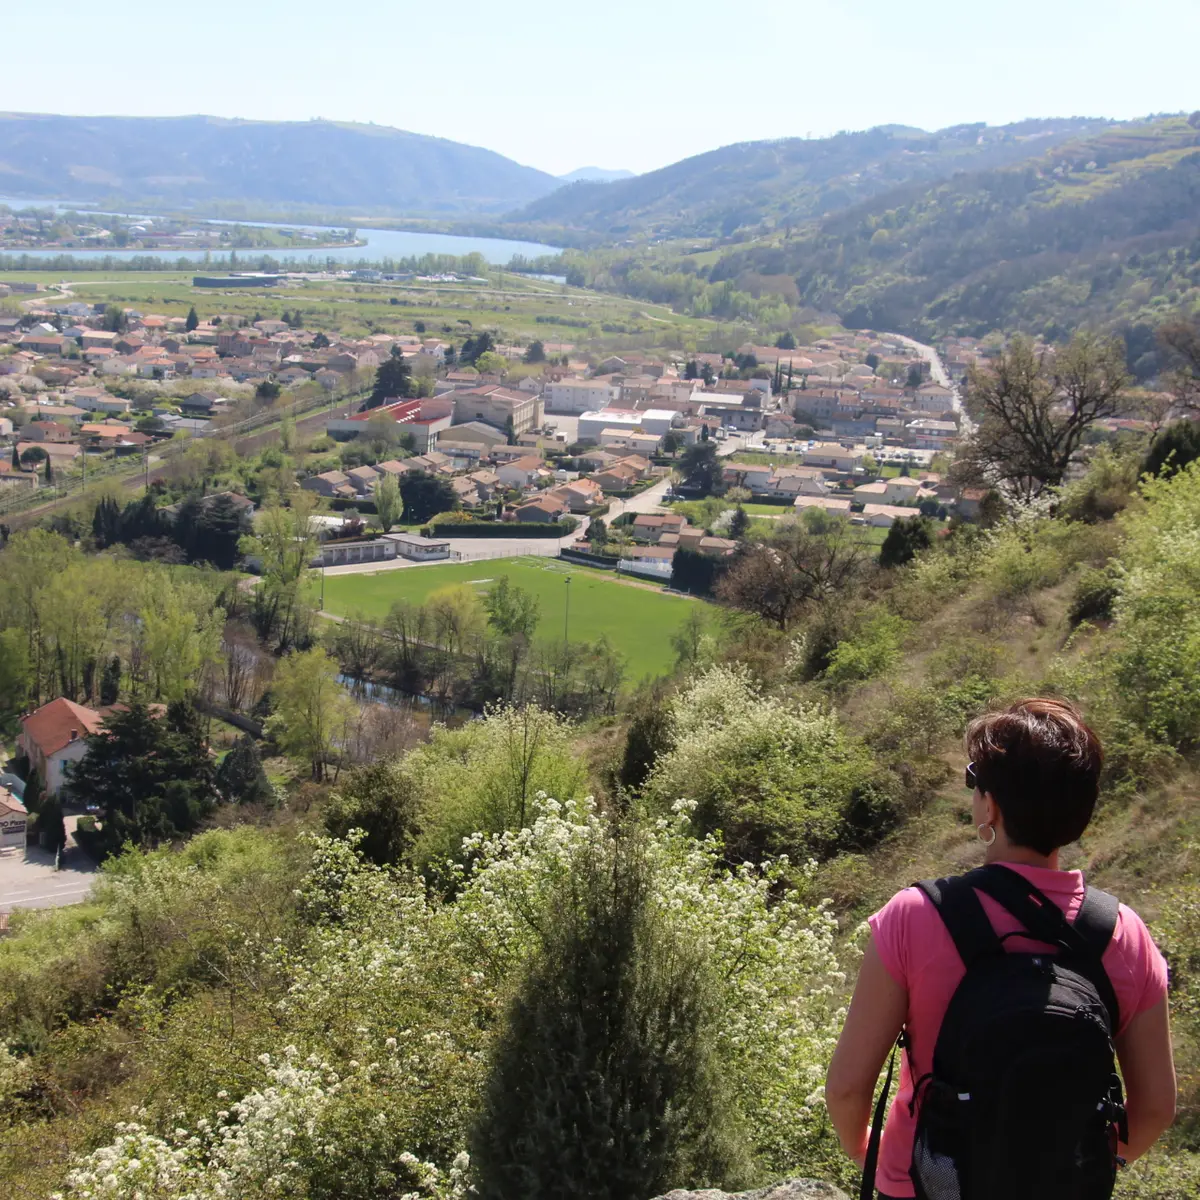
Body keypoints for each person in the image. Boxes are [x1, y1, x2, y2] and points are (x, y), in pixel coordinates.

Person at [825, 697, 1176, 1199]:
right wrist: (1078, 1168)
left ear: (990, 807)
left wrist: (870, 1154)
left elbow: (846, 1089)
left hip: (927, 1186)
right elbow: (1156, 1108)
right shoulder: (1124, 933)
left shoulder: (915, 915)